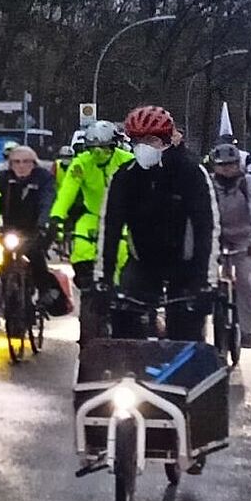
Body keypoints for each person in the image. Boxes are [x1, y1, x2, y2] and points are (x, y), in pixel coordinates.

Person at [98, 105, 217, 342]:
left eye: (150, 140)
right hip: (143, 264)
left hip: (185, 266)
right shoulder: (124, 176)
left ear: (165, 140)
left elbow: (208, 229)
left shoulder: (191, 173)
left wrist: (206, 282)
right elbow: (109, 228)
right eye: (137, 140)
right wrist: (103, 280)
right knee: (123, 326)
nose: (143, 146)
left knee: (185, 335)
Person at [48, 119, 135, 341]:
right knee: (82, 253)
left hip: (123, 218)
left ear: (113, 146)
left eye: (104, 148)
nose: (98, 153)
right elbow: (67, 192)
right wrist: (57, 216)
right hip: (91, 217)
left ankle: (122, 300)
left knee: (124, 259)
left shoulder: (128, 161)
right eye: (93, 148)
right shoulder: (81, 164)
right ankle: (88, 291)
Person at [0, 145, 66, 314]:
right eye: (16, 162)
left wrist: (44, 223)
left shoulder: (43, 178)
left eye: (26, 162)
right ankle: (2, 295)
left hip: (37, 227)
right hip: (10, 229)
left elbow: (47, 201)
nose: (21, 166)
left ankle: (44, 291)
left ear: (34, 163)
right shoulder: (2, 178)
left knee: (35, 252)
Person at [208, 144, 251, 349]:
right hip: (217, 238)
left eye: (231, 165)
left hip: (245, 240)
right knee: (209, 283)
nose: (226, 169)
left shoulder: (248, 183)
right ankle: (214, 324)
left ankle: (248, 332)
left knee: (244, 284)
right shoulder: (210, 185)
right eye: (222, 166)